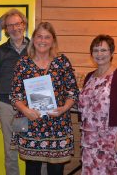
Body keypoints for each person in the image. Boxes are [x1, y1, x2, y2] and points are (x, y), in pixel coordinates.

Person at [10, 22, 79, 175]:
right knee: (32, 170)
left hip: (58, 125)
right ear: (33, 39)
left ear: (53, 40)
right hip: (32, 124)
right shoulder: (23, 63)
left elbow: (72, 91)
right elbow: (15, 95)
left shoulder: (62, 62)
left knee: (56, 171)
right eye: (39, 36)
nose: (43, 40)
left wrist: (64, 108)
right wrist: (26, 111)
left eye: (47, 37)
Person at [78, 34, 117, 174]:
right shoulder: (89, 77)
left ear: (112, 52)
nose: (99, 54)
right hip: (90, 140)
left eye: (103, 50)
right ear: (91, 54)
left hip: (112, 139)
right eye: (96, 50)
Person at [0, 8, 29, 175]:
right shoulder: (0, 51)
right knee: (10, 152)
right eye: (10, 25)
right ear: (6, 30)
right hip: (6, 105)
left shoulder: (35, 48)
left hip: (31, 107)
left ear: (24, 25)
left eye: (18, 24)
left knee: (34, 150)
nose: (14, 28)